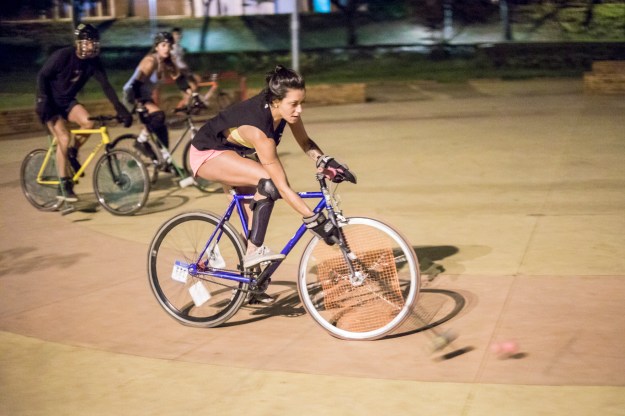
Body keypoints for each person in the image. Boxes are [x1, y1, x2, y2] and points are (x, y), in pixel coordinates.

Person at [190, 65, 356, 272]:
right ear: (276, 101)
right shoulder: (260, 132)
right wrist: (313, 218)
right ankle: (252, 253)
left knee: (253, 230)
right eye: (294, 104)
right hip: (208, 154)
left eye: (301, 103)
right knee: (269, 183)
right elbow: (282, 186)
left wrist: (324, 161)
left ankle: (250, 285)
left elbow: (305, 142)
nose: (300, 110)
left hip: (235, 154)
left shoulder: (285, 111)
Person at [36, 23, 133, 201]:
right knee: (63, 138)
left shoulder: (93, 62)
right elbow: (42, 75)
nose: (92, 46)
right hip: (49, 103)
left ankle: (73, 151)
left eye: (94, 42)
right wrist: (42, 99)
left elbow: (106, 85)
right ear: (79, 42)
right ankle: (63, 185)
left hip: (67, 102)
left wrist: (120, 108)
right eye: (89, 42)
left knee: (89, 122)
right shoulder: (63, 56)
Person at [123, 31, 199, 165]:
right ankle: (140, 141)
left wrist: (193, 95)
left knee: (162, 128)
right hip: (132, 94)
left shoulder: (168, 63)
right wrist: (139, 105)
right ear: (156, 47)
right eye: (163, 45)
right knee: (159, 115)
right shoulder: (150, 61)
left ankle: (165, 159)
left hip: (144, 96)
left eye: (169, 46)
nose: (167, 48)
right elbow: (135, 85)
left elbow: (181, 82)